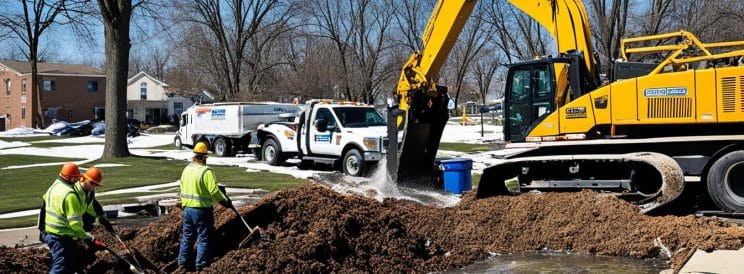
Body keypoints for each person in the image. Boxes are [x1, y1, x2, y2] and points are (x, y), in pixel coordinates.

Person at [178, 142, 231, 270]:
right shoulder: (206, 172)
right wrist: (224, 201)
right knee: (204, 237)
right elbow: (214, 190)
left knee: (187, 237)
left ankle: (182, 263)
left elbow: (182, 186)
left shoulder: (187, 169)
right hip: (201, 211)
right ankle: (201, 265)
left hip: (187, 210)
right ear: (204, 157)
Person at [39, 163, 96, 274]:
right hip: (61, 237)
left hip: (51, 233)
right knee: (60, 268)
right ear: (70, 177)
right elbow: (75, 223)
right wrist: (84, 236)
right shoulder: (70, 195)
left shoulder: (54, 186)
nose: (77, 180)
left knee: (67, 266)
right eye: (76, 177)